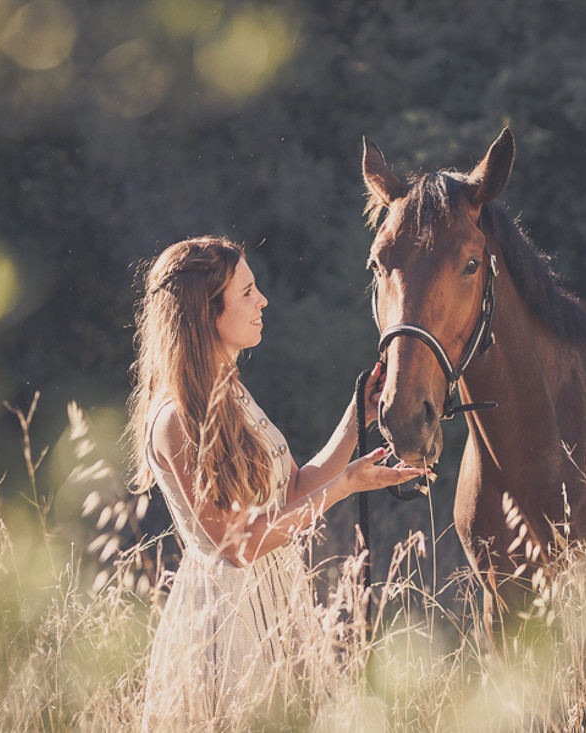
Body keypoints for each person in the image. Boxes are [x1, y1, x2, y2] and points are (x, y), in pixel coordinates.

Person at [125, 236, 426, 728]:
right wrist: (346, 486)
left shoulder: (233, 395)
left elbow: (292, 492)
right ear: (207, 311)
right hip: (228, 625)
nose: (262, 300)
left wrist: (357, 418)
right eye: (246, 292)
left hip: (279, 605)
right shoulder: (175, 418)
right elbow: (235, 545)